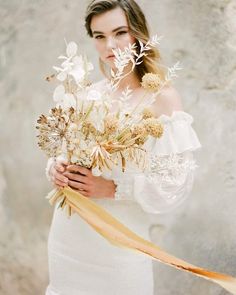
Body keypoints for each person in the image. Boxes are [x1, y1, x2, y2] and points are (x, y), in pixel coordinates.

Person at [45, 1, 202, 294]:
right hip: (69, 238)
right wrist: (57, 169)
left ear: (138, 34)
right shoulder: (89, 94)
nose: (110, 45)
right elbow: (61, 151)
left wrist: (113, 188)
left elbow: (175, 184)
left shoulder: (162, 98)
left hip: (119, 243)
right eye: (99, 36)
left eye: (120, 32)